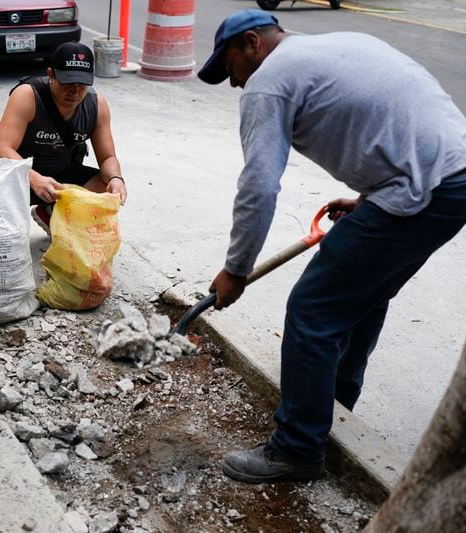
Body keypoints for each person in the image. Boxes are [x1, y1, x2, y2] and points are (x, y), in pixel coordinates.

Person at [197, 10, 466, 483]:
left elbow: (259, 186)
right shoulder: (338, 44)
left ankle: (298, 447)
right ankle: (331, 406)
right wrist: (370, 198)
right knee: (361, 295)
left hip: (424, 190)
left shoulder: (269, 80)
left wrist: (236, 269)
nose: (236, 85)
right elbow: (402, 117)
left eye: (231, 68)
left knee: (312, 309)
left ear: (252, 44)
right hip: (452, 177)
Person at [0, 41, 127, 235]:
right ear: (51, 75)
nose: (75, 91)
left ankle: (49, 212)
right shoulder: (27, 95)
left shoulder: (97, 105)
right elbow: (1, 150)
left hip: (62, 176)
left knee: (107, 187)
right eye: (68, 82)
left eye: (82, 84)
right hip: (20, 177)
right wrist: (34, 179)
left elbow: (107, 158)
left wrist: (116, 178)